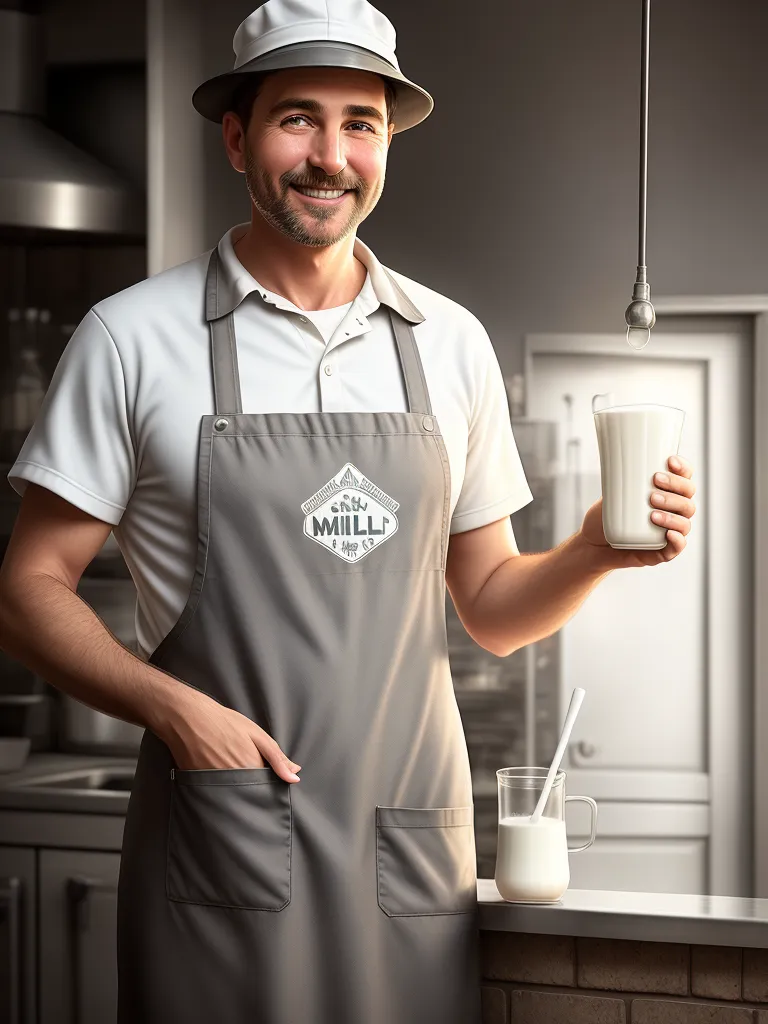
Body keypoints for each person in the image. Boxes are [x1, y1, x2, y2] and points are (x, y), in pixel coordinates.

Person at [0, 0, 696, 1021]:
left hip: (405, 853)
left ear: (384, 144)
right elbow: (26, 593)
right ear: (237, 136)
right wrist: (173, 708)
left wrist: (593, 549)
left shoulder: (449, 343)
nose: (331, 155)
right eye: (298, 119)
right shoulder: (130, 340)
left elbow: (492, 607)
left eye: (360, 123)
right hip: (217, 842)